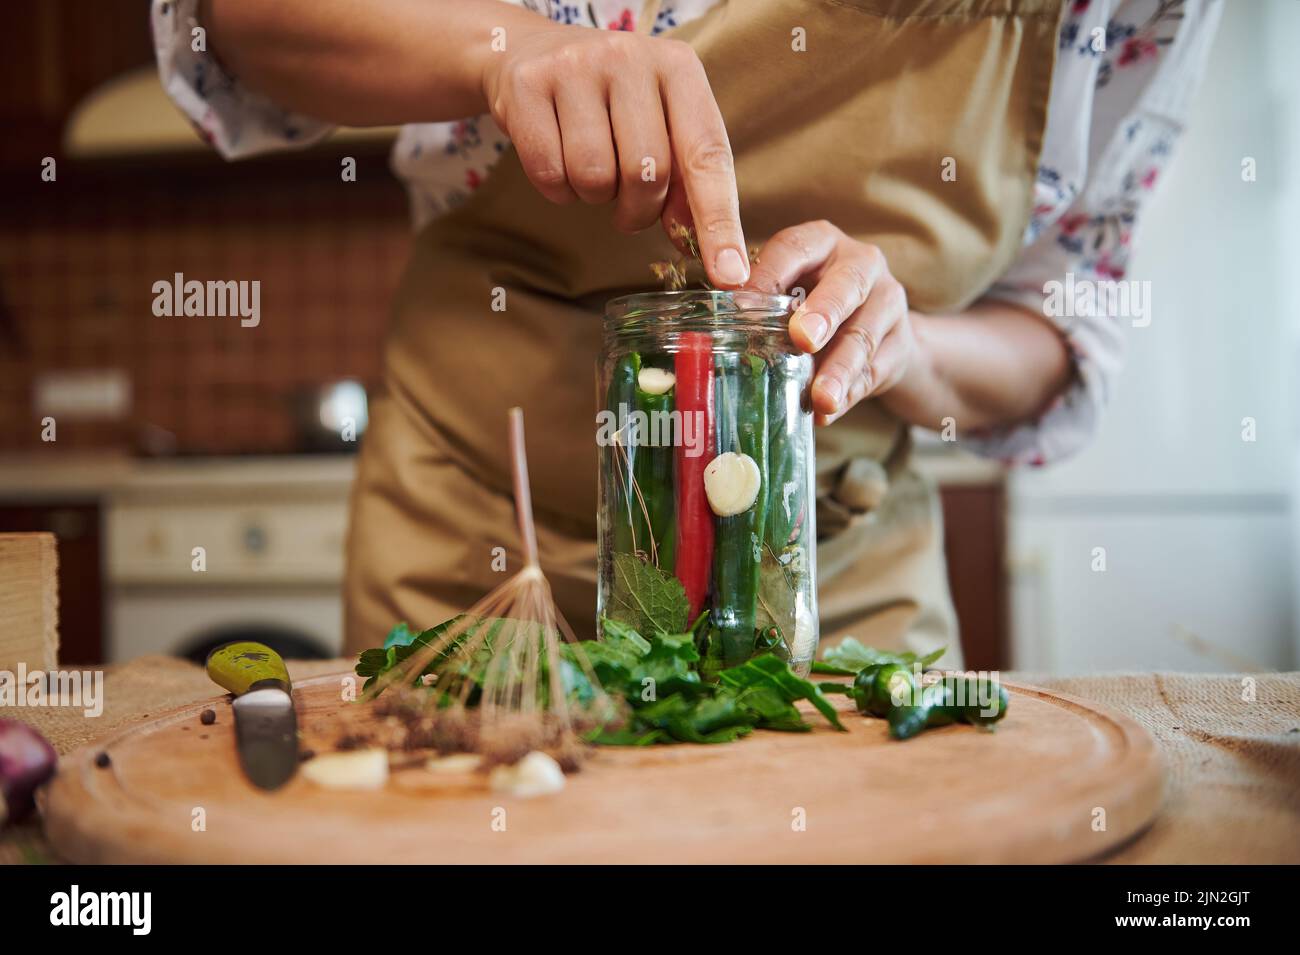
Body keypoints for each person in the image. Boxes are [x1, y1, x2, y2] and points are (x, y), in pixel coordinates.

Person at [151, 0, 1222, 660]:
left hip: (834, 578)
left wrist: (908, 346)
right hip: (473, 555)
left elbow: (1060, 319)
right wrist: (502, 46)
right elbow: (224, 18)